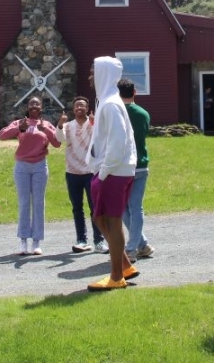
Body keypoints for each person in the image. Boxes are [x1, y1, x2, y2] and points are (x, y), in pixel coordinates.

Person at [86, 57, 139, 291]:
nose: (90, 76)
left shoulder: (110, 104)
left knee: (111, 221)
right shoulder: (107, 101)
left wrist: (104, 172)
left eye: (93, 71)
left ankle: (116, 277)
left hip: (114, 171)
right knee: (99, 218)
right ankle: (125, 265)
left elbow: (118, 142)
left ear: (103, 74)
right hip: (113, 170)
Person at [0, 96, 61, 255]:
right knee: (24, 202)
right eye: (31, 103)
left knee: (39, 203)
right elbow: (1, 135)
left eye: (37, 104)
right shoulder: (21, 123)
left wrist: (44, 129)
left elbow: (57, 143)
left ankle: (37, 241)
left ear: (41, 107)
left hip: (40, 165)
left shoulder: (46, 124)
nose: (34, 106)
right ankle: (23, 241)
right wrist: (19, 128)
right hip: (22, 166)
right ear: (27, 107)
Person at [56, 96, 106, 253]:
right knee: (77, 208)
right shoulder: (68, 126)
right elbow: (58, 139)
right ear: (73, 109)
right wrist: (59, 124)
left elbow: (101, 138)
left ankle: (99, 241)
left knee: (95, 207)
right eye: (76, 106)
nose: (79, 108)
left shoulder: (92, 124)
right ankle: (82, 240)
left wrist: (93, 123)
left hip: (90, 172)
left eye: (82, 106)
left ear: (87, 108)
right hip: (72, 172)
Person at [118, 78, 155, 262]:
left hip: (122, 166)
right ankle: (141, 245)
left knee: (124, 208)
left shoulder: (115, 113)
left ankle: (131, 249)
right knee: (135, 207)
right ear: (135, 92)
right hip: (140, 164)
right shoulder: (143, 113)